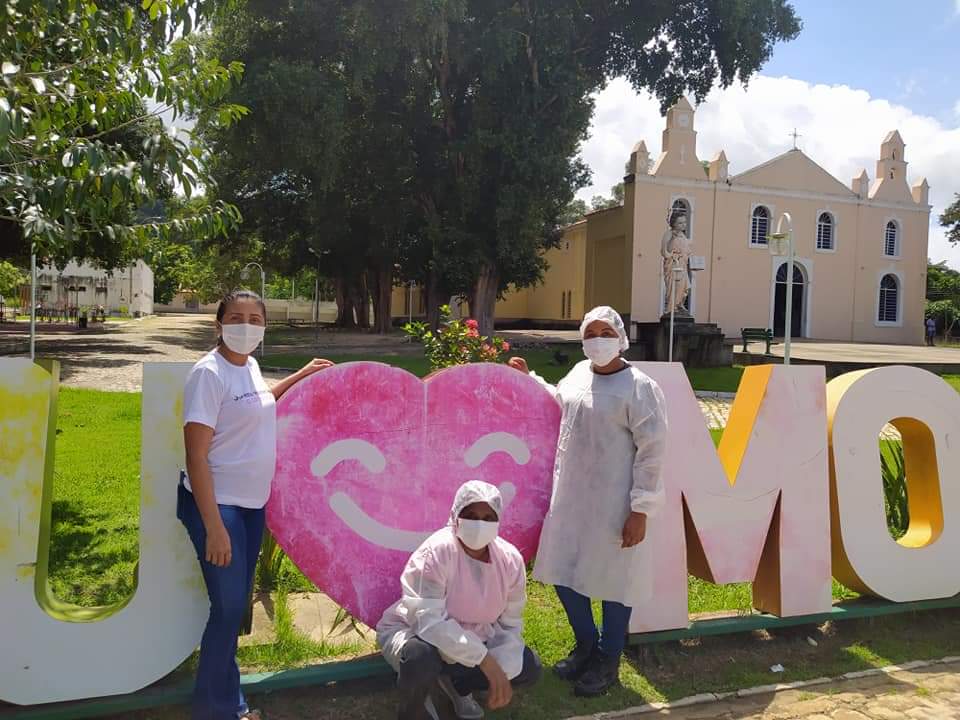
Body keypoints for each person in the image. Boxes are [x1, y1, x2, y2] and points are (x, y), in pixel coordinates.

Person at [180, 289, 334, 720]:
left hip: (250, 506)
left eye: (254, 318)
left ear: (263, 327)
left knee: (233, 610)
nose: (245, 325)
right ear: (219, 324)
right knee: (228, 609)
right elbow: (195, 456)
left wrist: (298, 376)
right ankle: (215, 709)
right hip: (219, 506)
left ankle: (230, 702)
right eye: (236, 317)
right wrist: (213, 526)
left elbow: (258, 404)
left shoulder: (248, 366)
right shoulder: (208, 375)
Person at [508, 306, 667, 697]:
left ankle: (608, 659)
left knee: (616, 583)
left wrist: (641, 510)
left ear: (620, 337)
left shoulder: (640, 387)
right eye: (591, 332)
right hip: (572, 497)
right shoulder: (579, 374)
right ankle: (586, 646)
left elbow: (653, 451)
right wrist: (529, 379)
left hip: (616, 503)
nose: (598, 339)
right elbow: (558, 402)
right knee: (564, 572)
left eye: (605, 332)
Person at [377, 481, 542, 720]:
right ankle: (413, 708)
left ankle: (457, 685)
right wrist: (485, 661)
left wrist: (502, 669)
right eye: (471, 515)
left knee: (529, 667)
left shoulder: (510, 560)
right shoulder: (437, 552)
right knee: (420, 658)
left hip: (475, 637)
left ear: (498, 521)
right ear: (455, 516)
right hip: (418, 633)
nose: (479, 523)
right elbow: (429, 621)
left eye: (488, 517)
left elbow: (510, 623)